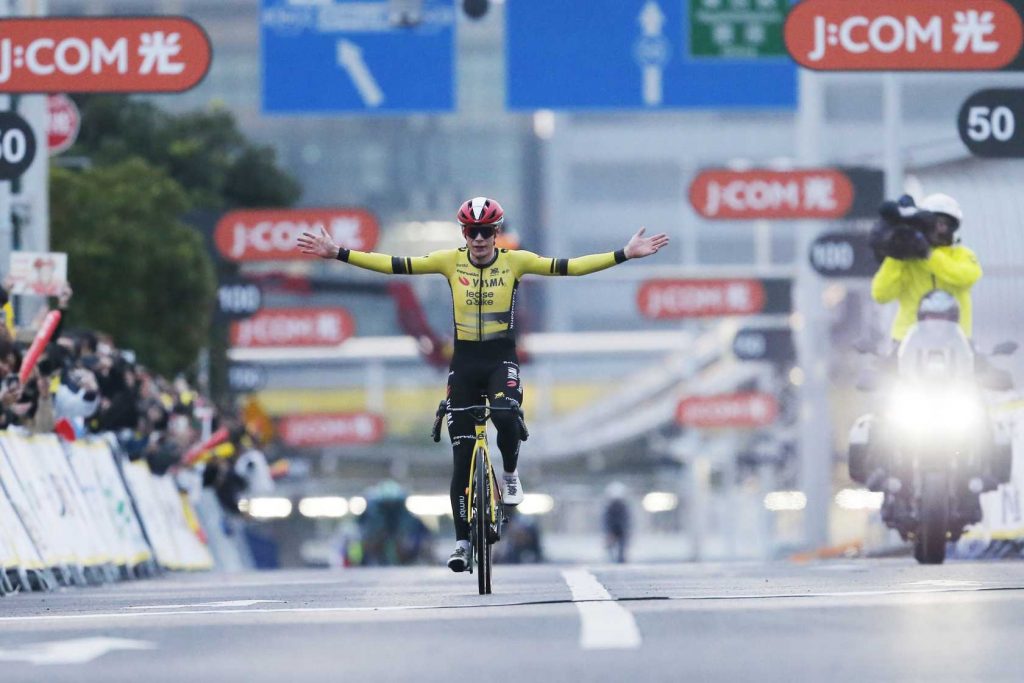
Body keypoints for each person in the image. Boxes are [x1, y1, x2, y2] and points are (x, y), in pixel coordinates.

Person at [298, 196, 669, 572]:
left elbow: (570, 268)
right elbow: (394, 265)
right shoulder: (449, 261)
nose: (479, 239)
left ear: (496, 233)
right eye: (472, 232)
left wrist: (624, 254)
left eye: (486, 232)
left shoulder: (515, 262)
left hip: (500, 360)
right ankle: (462, 543)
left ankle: (509, 473)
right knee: (461, 458)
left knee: (506, 414)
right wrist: (338, 253)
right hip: (464, 364)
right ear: (464, 233)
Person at [870, 193, 982, 343]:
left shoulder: (963, 255)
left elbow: (964, 277)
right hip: (908, 342)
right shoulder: (908, 260)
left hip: (956, 342)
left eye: (942, 224)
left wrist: (927, 254)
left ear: (952, 227)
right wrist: (898, 253)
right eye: (931, 224)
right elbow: (881, 295)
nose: (936, 230)